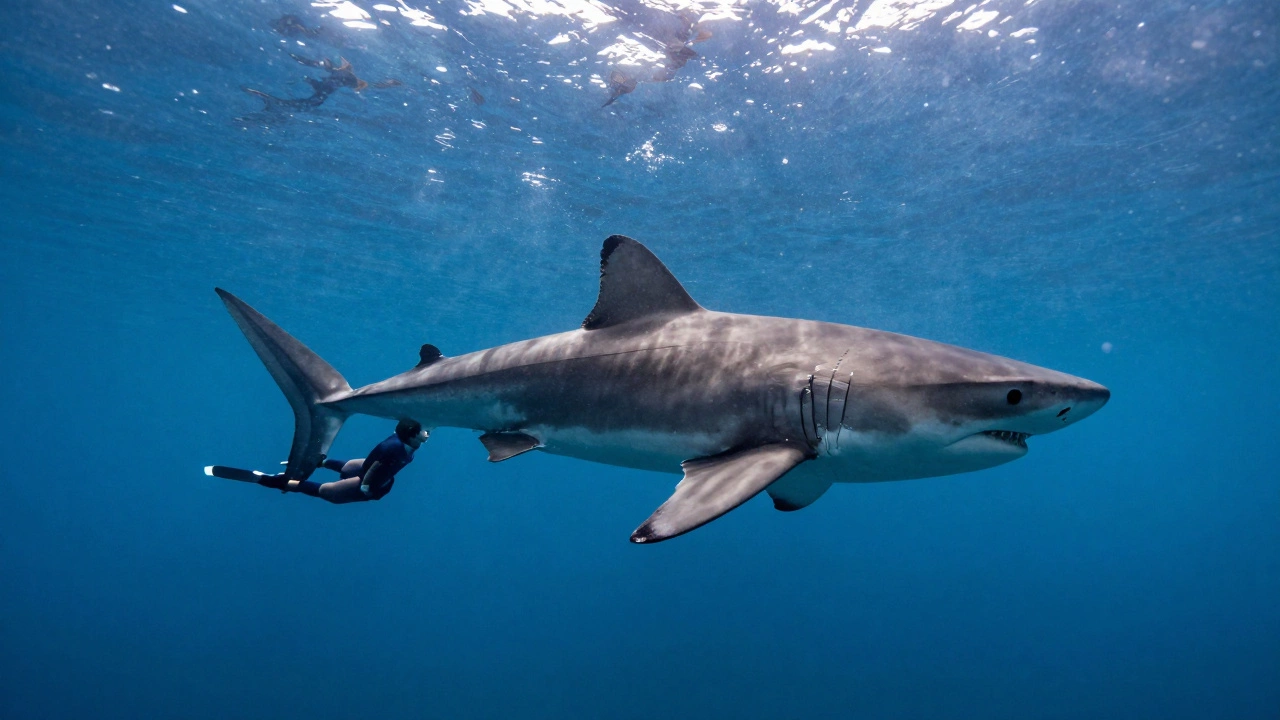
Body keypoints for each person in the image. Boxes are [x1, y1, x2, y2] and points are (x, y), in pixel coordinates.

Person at [256, 419, 427, 503]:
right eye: (422, 431)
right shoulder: (394, 448)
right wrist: (366, 487)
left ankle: (319, 462)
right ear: (412, 435)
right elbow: (375, 468)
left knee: (348, 467)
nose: (426, 432)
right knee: (327, 492)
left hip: (379, 472)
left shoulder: (408, 440)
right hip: (371, 479)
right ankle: (279, 482)